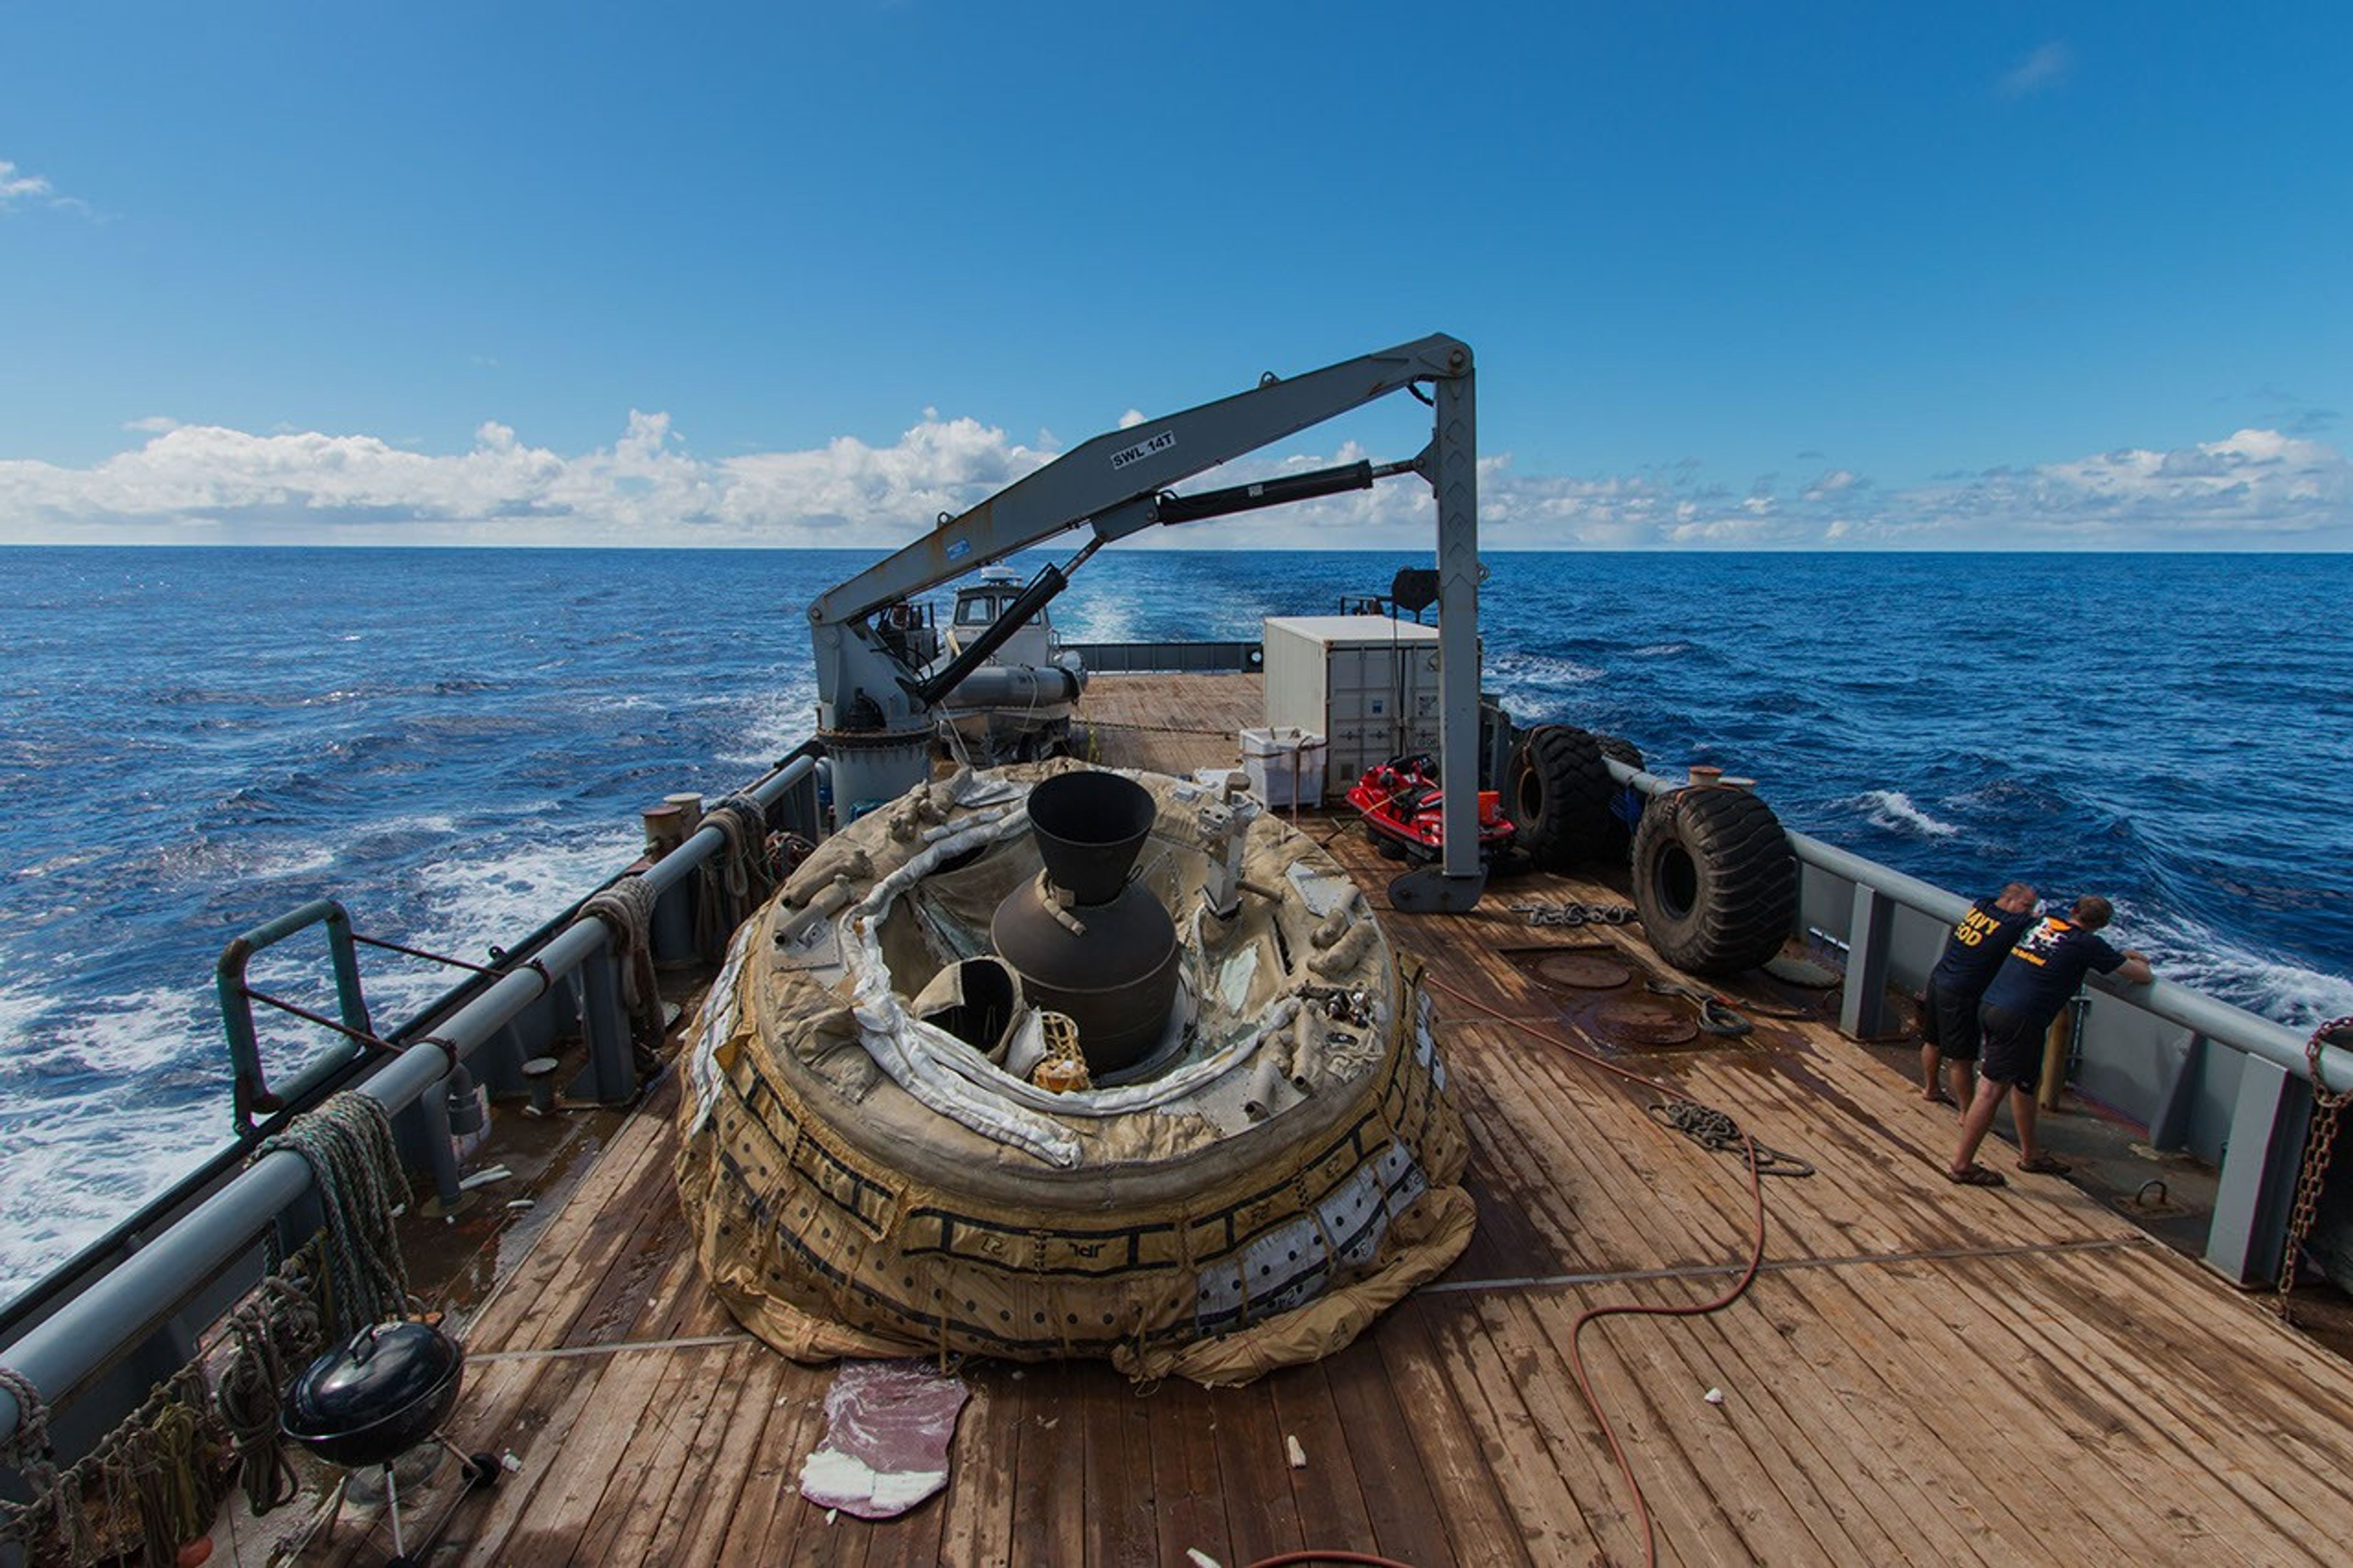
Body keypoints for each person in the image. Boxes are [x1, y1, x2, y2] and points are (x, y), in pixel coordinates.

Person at [1948, 895, 2154, 1186]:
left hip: (1993, 1004)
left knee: (2025, 1084)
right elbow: (2141, 976)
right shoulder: (2088, 945)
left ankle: (2031, 1155)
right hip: (2021, 1019)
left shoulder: (2043, 924)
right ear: (2103, 925)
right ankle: (1961, 1166)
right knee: (1990, 1092)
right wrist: (2135, 957)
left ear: (2073, 911)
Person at [1920, 882, 2039, 1108]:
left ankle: (1931, 1088)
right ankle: (1967, 1112)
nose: (2030, 911)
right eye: (2027, 905)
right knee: (1962, 1057)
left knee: (1932, 1040)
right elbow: (2037, 925)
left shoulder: (1981, 905)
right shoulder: (2012, 924)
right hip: (1961, 992)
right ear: (2010, 900)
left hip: (1940, 978)